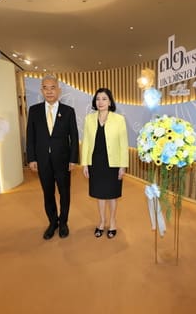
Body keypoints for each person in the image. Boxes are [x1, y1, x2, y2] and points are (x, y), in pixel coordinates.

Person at [26, 75, 79, 240]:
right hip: (42, 161)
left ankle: (63, 223)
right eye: (45, 88)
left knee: (64, 193)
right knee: (47, 193)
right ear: (41, 91)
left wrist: (73, 159)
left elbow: (74, 137)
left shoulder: (68, 111)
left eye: (52, 88)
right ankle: (52, 222)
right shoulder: (34, 111)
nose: (49, 91)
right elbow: (30, 136)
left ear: (59, 90)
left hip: (63, 160)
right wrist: (32, 158)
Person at [81, 88, 129, 239]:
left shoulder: (119, 119)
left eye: (104, 99)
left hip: (113, 163)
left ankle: (112, 222)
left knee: (112, 194)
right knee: (100, 194)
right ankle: (102, 222)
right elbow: (86, 143)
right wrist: (85, 164)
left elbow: (123, 144)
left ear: (110, 102)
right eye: (98, 99)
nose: (100, 102)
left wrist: (123, 166)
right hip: (96, 163)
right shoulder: (89, 119)